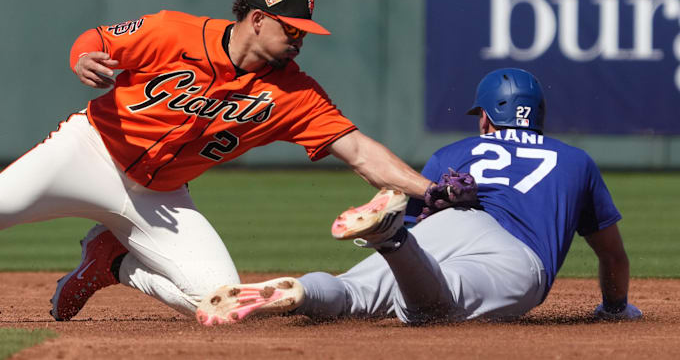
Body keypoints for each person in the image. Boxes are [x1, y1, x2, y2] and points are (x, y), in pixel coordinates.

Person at [0, 0, 434, 321]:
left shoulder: (295, 93)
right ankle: (113, 251)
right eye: (291, 29)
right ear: (256, 19)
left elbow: (359, 151)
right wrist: (82, 57)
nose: (298, 40)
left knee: (223, 304)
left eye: (303, 31)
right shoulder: (174, 32)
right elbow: (97, 39)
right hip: (87, 153)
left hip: (160, 196)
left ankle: (116, 262)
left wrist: (428, 189)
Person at [195, 68, 643, 326]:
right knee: (434, 310)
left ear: (486, 118)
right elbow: (613, 257)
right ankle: (390, 240)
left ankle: (306, 290)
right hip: (517, 257)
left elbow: (421, 218)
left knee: (355, 294)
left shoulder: (454, 153)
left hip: (450, 223)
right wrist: (615, 307)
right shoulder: (574, 161)